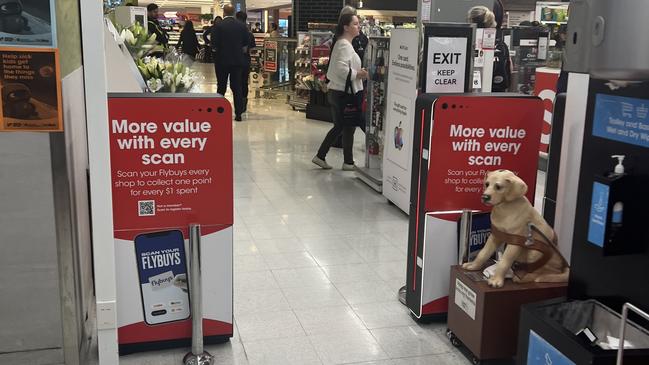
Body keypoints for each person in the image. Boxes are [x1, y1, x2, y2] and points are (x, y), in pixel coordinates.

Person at [312, 13, 368, 170]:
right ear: (346, 27)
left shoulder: (343, 44)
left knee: (345, 126)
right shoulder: (344, 45)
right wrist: (359, 74)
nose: (359, 26)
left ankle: (345, 161)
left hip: (339, 92)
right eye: (356, 24)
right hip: (343, 93)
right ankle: (324, 157)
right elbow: (341, 69)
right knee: (344, 125)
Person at [211, 4, 249, 121]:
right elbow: (245, 46)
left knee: (221, 86)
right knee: (237, 87)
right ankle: (238, 113)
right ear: (233, 12)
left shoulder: (218, 26)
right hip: (237, 61)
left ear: (224, 12)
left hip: (222, 61)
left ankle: (219, 111)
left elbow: (214, 45)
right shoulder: (242, 26)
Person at [236, 11, 256, 113]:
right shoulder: (249, 34)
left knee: (236, 82)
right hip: (245, 61)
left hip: (235, 61)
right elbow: (252, 49)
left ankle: (238, 103)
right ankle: (243, 103)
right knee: (244, 82)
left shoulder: (234, 32)